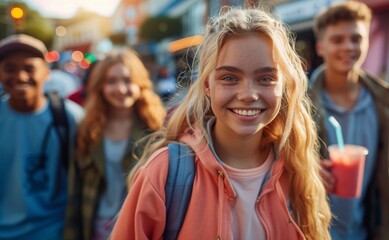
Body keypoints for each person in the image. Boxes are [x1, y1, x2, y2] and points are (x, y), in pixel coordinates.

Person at [111, 7, 331, 240]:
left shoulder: (297, 169)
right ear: (207, 85)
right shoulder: (164, 172)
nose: (248, 94)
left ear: (284, 86)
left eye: (266, 78)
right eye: (229, 78)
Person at [309, 1, 389, 239]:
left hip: (368, 231)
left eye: (356, 38)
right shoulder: (299, 102)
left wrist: (388, 191)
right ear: (320, 47)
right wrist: (306, 173)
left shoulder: (385, 103)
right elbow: (273, 160)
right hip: (313, 230)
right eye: (337, 39)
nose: (348, 46)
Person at [63, 47, 166, 240]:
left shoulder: (157, 129)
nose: (120, 89)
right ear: (100, 86)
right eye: (111, 81)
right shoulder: (88, 129)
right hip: (95, 226)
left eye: (127, 80)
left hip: (137, 227)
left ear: (140, 83)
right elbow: (74, 189)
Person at [0, 34, 84, 239]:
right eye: (10, 68)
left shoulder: (70, 117)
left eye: (29, 68)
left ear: (47, 73)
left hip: (55, 231)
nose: (20, 77)